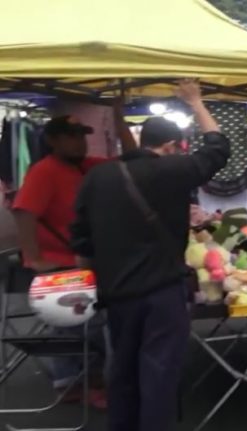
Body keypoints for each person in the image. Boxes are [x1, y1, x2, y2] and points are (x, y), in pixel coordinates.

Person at [70, 79, 230, 431]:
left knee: (122, 374)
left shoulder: (98, 177)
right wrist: (196, 102)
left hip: (116, 295)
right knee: (158, 378)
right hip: (162, 294)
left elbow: (81, 241)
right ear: (171, 146)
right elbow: (218, 148)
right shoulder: (173, 170)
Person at [12, 104, 136, 408]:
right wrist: (33, 257)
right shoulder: (44, 171)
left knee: (94, 324)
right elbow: (24, 213)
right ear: (53, 140)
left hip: (86, 263)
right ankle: (70, 384)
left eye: (81, 135)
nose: (78, 141)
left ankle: (90, 379)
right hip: (59, 265)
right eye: (71, 136)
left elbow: (134, 160)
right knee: (76, 325)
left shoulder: (89, 166)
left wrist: (120, 123)